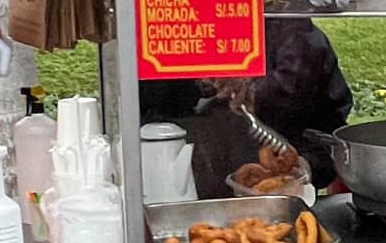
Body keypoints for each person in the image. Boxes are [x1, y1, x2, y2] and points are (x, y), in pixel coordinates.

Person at [141, 15, 353, 197]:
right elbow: (141, 117)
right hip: (179, 196)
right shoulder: (163, 36)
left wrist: (306, 167)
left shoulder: (300, 43)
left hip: (274, 207)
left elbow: (331, 138)